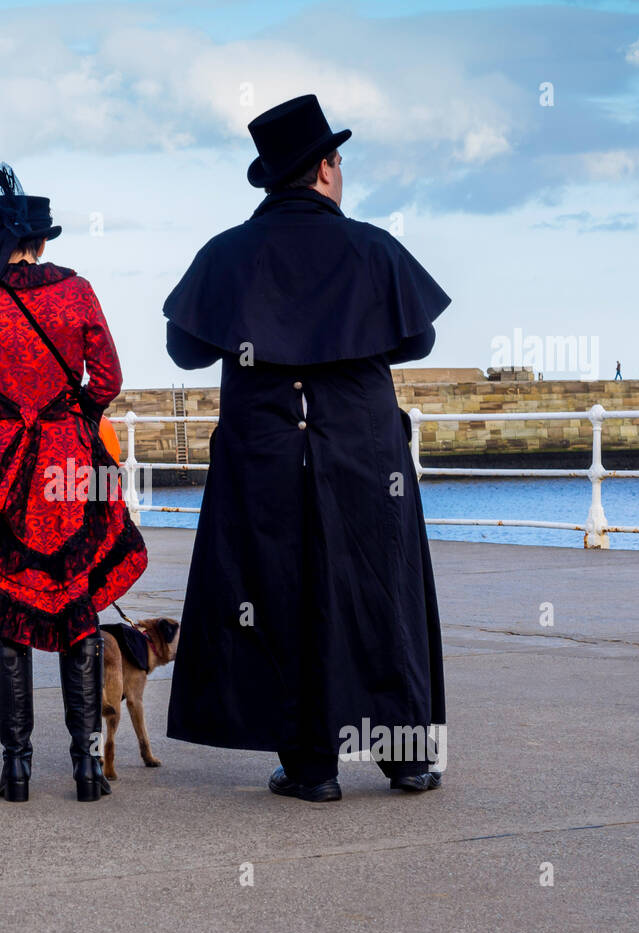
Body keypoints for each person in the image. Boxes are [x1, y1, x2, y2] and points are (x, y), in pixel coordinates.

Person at [161, 94, 450, 802]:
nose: (340, 171)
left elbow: (184, 347)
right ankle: (405, 757)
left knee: (275, 597)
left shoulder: (228, 253)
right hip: (363, 450)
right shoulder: (373, 246)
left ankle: (312, 765)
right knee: (381, 592)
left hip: (266, 454)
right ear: (323, 170)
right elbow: (418, 337)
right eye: (338, 160)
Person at [0, 165, 148, 803]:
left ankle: (17, 769)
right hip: (66, 461)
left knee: (9, 610)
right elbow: (107, 376)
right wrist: (71, 418)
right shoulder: (76, 291)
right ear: (41, 239)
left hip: (4, 463)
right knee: (76, 603)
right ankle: (88, 770)